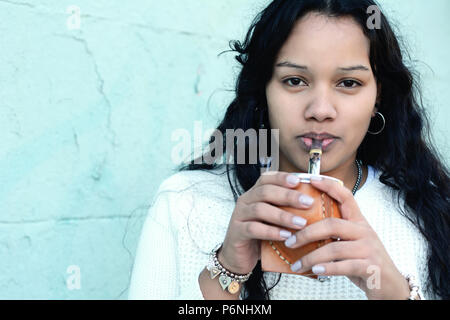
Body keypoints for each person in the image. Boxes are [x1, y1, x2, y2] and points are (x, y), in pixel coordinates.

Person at [128, 0, 449, 300]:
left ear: (378, 96)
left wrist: (395, 293)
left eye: (349, 83)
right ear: (264, 90)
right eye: (295, 80)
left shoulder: (423, 212)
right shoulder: (185, 203)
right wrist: (227, 269)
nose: (320, 109)